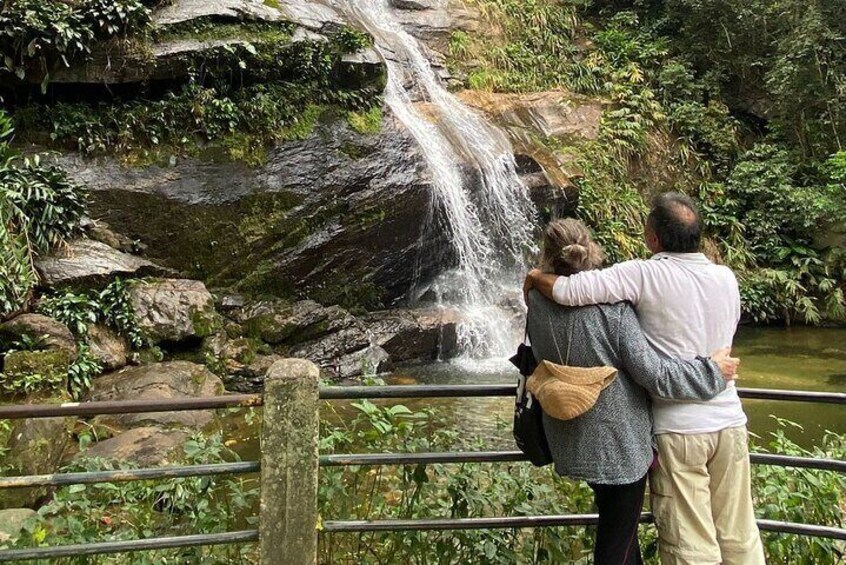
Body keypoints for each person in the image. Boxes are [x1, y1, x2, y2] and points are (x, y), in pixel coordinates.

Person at [524, 193, 765, 565]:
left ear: (653, 238)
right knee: (740, 536)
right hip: (728, 420)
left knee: (691, 546)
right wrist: (714, 371)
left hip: (673, 429)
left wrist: (536, 277)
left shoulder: (639, 275)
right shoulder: (726, 278)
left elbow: (569, 291)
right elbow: (664, 363)